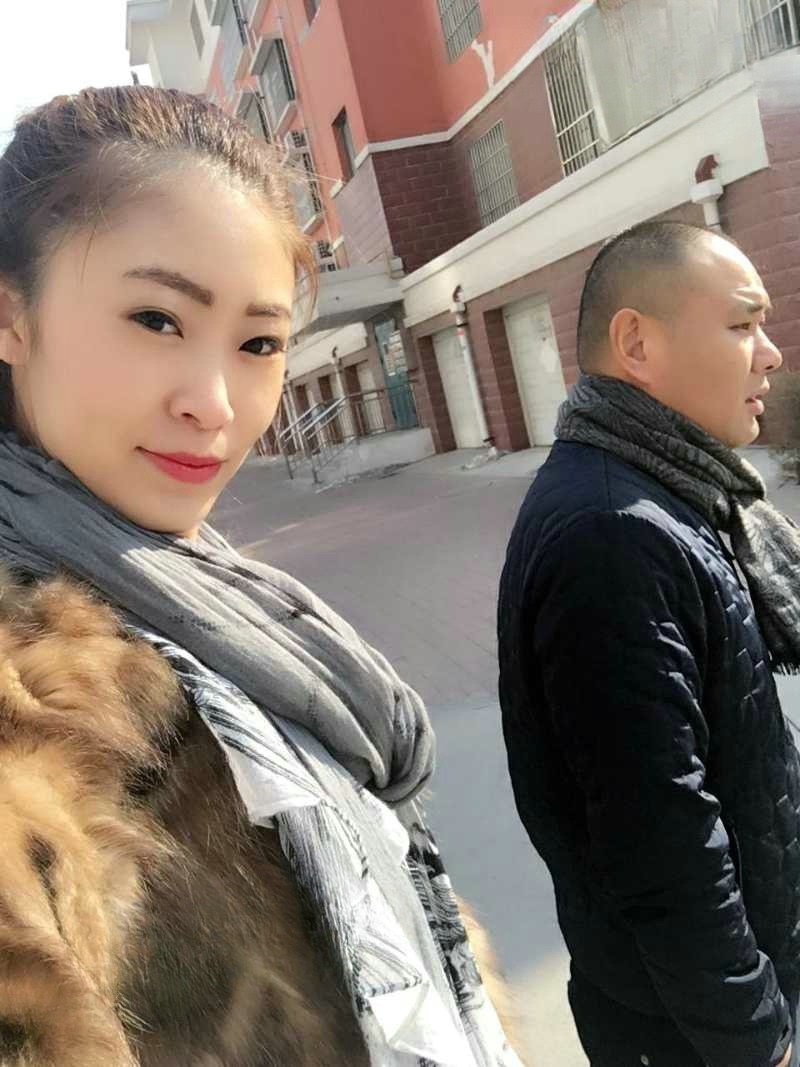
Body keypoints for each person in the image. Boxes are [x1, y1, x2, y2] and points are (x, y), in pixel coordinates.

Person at [0, 86, 521, 1067]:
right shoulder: (31, 713)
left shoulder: (216, 610)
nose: (215, 402)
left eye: (258, 343)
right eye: (157, 318)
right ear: (11, 315)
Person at [497, 220, 800, 1067]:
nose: (770, 353)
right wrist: (753, 1036)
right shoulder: (615, 533)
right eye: (742, 324)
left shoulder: (665, 499)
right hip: (689, 1030)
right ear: (637, 343)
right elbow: (662, 840)